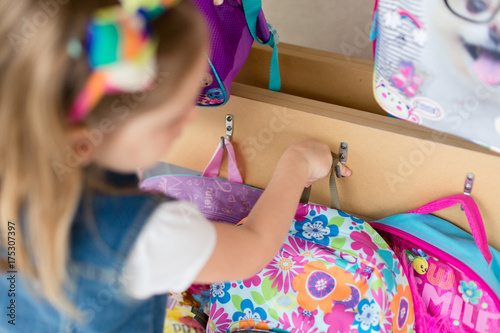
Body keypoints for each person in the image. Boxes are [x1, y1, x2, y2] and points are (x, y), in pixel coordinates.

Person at [0, 0, 351, 331]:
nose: (188, 119)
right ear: (83, 141)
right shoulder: (150, 236)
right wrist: (296, 162)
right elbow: (254, 246)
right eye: (170, 117)